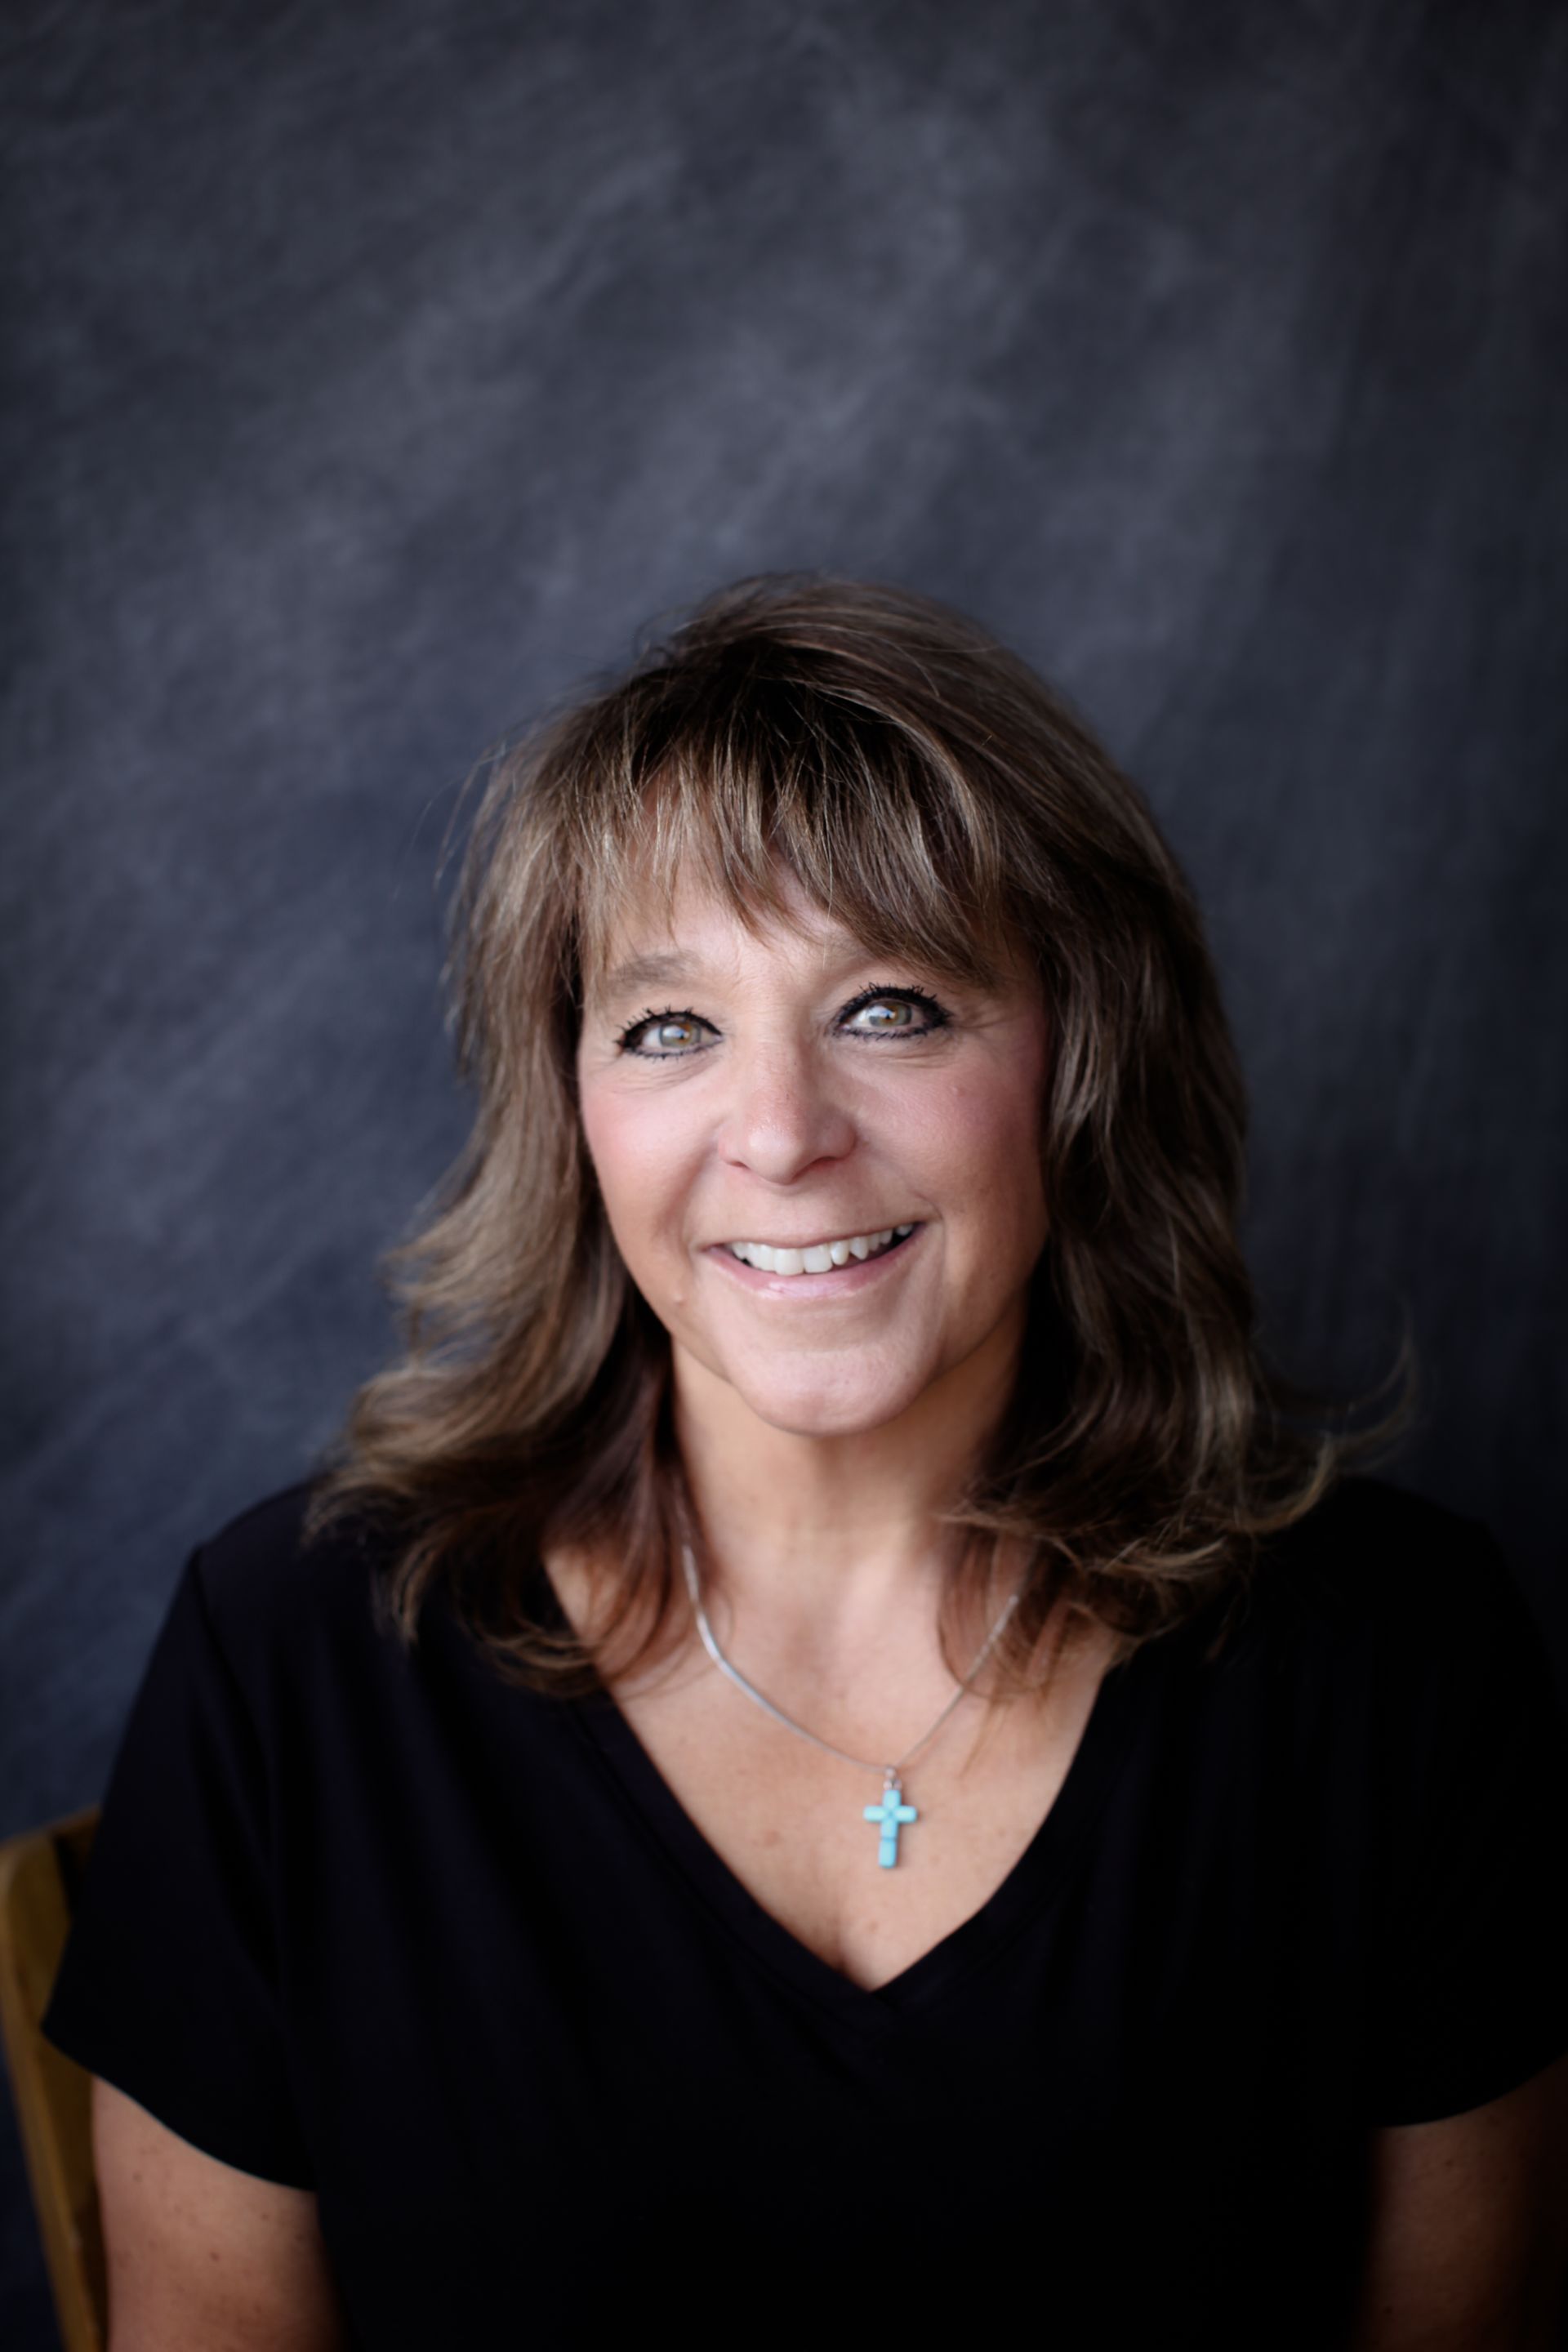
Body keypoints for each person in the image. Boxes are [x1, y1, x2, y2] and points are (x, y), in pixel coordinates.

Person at [42, 577, 1568, 2350]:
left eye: (895, 1007)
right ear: (573, 1111)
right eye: (670, 1027)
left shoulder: (1403, 1668)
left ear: (1085, 1058)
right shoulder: (292, 1662)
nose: (777, 1134)